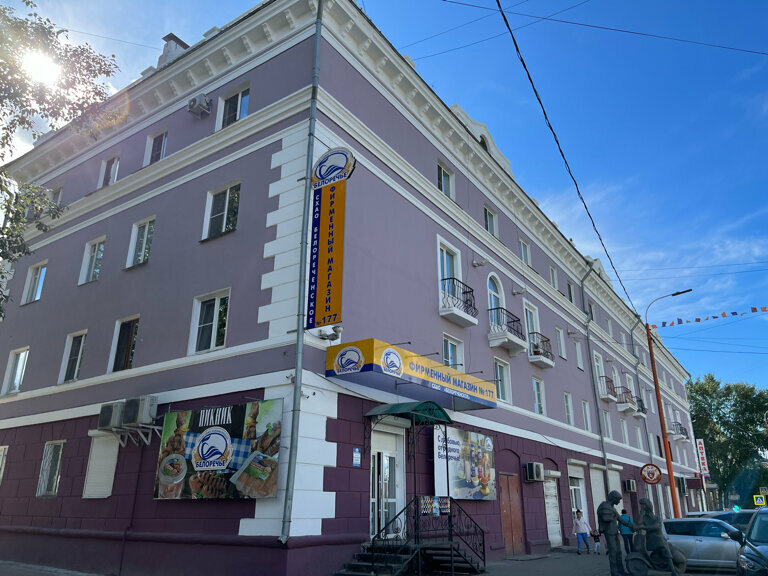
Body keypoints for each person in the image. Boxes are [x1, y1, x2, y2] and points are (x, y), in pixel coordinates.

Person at [634, 497, 678, 576]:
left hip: (659, 538)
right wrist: (641, 514)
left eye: (644, 505)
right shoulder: (644, 517)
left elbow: (655, 526)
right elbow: (639, 524)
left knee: (666, 551)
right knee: (662, 550)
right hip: (651, 539)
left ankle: (673, 570)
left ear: (648, 506)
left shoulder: (657, 518)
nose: (642, 507)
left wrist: (643, 527)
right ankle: (669, 569)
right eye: (641, 505)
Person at [597, 490, 635, 576]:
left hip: (614, 532)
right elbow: (605, 518)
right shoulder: (604, 506)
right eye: (618, 499)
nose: (619, 501)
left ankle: (621, 570)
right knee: (613, 552)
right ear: (613, 498)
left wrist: (631, 526)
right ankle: (614, 572)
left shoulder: (612, 508)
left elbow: (620, 519)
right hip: (609, 532)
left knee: (619, 552)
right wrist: (613, 517)